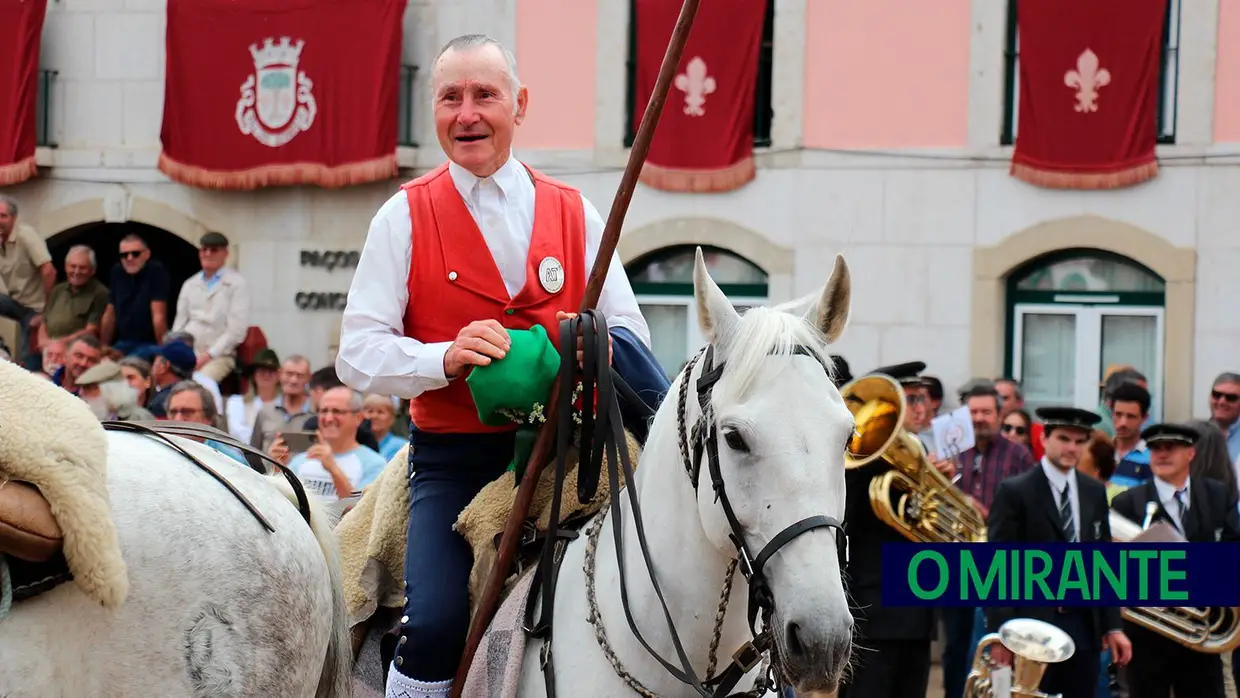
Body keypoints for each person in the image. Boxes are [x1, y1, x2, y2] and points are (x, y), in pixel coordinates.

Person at [334, 34, 667, 698]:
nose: (467, 114)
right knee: (432, 626)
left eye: (484, 95)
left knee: (675, 578)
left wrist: (588, 344)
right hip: (454, 458)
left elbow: (631, 334)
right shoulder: (401, 215)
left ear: (519, 104)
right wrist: (443, 357)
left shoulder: (578, 211)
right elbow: (356, 352)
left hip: (573, 451)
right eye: (450, 98)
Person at [986, 406, 1132, 698]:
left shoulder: (1092, 491)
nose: (1072, 448)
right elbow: (997, 565)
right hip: (1032, 623)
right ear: (1045, 439)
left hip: (1083, 623)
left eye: (1080, 442)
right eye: (1064, 438)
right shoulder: (1016, 491)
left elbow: (1103, 561)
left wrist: (1112, 625)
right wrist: (1001, 634)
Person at [1110, 423, 1240, 698]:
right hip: (1148, 636)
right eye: (1156, 448)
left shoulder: (1217, 494)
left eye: (1171, 448)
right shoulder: (1128, 502)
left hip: (1203, 634)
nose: (1162, 454)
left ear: (1191, 453)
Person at [838, 361, 935, 698]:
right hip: (875, 611)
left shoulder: (921, 457)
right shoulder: (863, 460)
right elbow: (849, 517)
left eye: (921, 399)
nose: (919, 409)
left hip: (917, 610)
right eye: (910, 399)